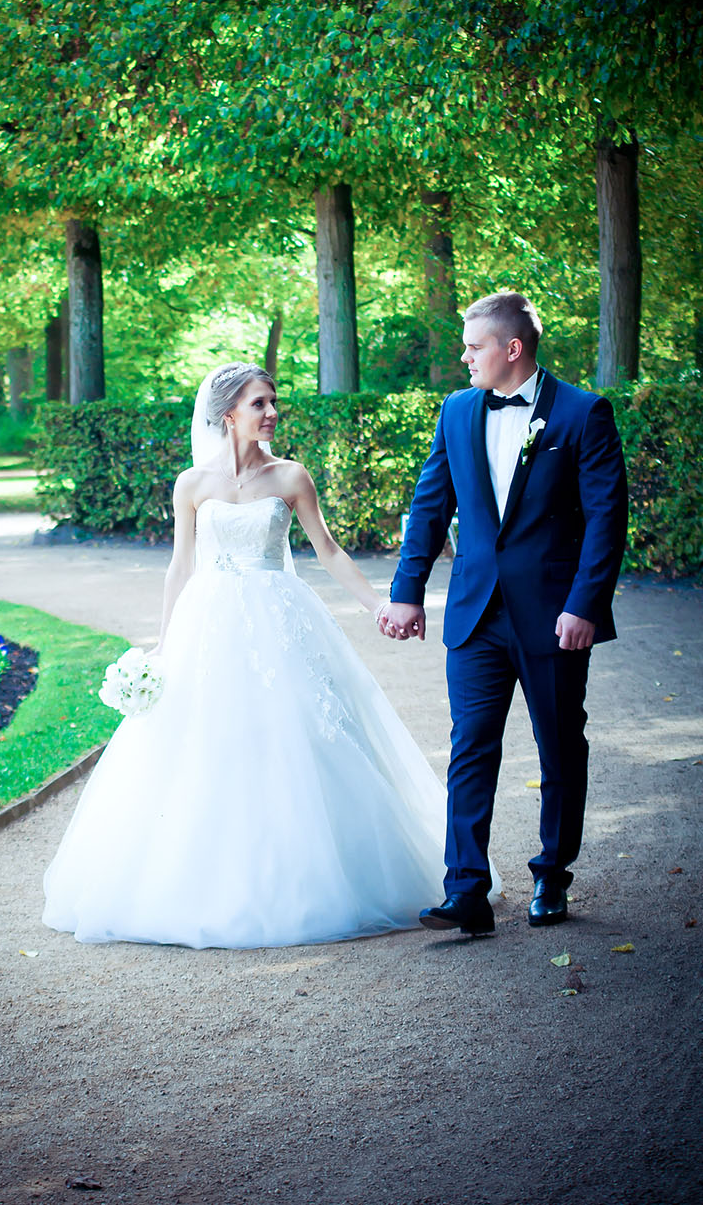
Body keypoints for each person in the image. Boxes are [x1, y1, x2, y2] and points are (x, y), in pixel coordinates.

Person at [43, 361, 482, 949]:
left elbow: (327, 551)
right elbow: (181, 566)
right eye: (260, 404)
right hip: (209, 621)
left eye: (273, 402)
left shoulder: (291, 477)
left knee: (303, 736)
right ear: (228, 415)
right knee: (208, 743)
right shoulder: (192, 484)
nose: (272, 412)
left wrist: (378, 602)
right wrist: (165, 645)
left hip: (282, 618)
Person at [378, 292, 628, 936]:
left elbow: (606, 520)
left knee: (559, 746)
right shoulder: (458, 410)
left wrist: (585, 605)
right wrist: (408, 590)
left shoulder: (582, 414)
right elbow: (430, 503)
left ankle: (552, 874)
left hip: (553, 616)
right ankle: (466, 890)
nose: (464, 358)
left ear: (511, 349)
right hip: (474, 614)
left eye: (474, 346)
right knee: (470, 749)